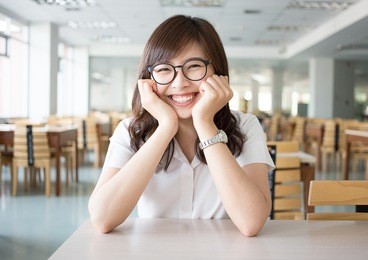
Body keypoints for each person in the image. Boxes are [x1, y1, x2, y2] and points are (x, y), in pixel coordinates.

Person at [88, 15, 274, 237]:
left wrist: (205, 124)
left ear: (218, 71)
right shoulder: (130, 130)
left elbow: (251, 222)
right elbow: (102, 219)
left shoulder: (246, 126)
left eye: (194, 66)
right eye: (164, 69)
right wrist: (166, 127)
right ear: (149, 78)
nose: (180, 83)